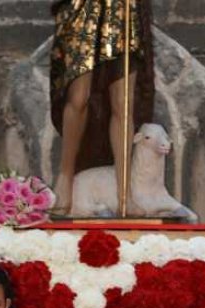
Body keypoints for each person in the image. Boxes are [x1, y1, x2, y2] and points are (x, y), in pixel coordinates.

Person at [50, 0, 155, 216]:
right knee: (78, 96)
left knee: (123, 102)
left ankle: (124, 193)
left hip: (122, 7)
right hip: (82, 5)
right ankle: (65, 176)